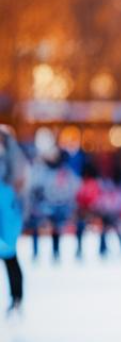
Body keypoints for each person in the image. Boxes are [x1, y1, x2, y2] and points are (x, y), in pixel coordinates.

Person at [26, 146, 79, 262]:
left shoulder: (64, 171)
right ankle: (35, 252)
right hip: (42, 203)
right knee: (36, 227)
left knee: (57, 228)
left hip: (59, 203)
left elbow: (74, 185)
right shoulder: (40, 168)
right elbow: (33, 184)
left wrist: (67, 199)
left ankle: (55, 251)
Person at [0, 125, 27, 315]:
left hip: (8, 212)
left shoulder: (13, 156)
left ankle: (16, 298)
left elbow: (19, 181)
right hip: (7, 210)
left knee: (9, 257)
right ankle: (16, 298)